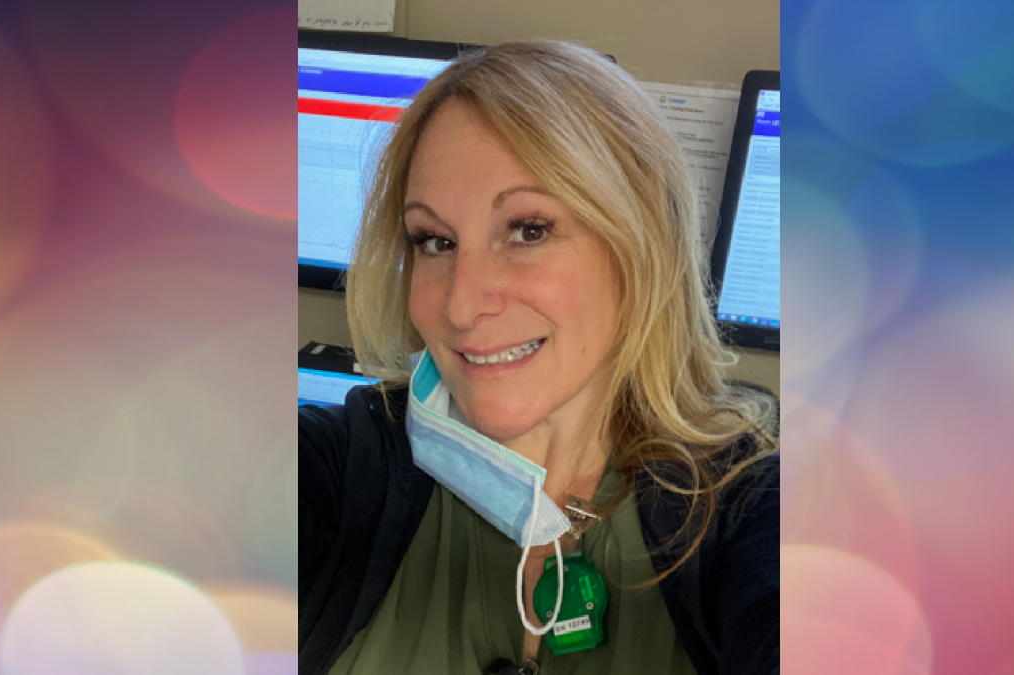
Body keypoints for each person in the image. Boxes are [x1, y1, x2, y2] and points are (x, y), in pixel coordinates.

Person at [299, 39, 779, 675]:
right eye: (434, 240)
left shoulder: (750, 511)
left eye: (529, 230)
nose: (462, 306)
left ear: (640, 248)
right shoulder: (339, 472)